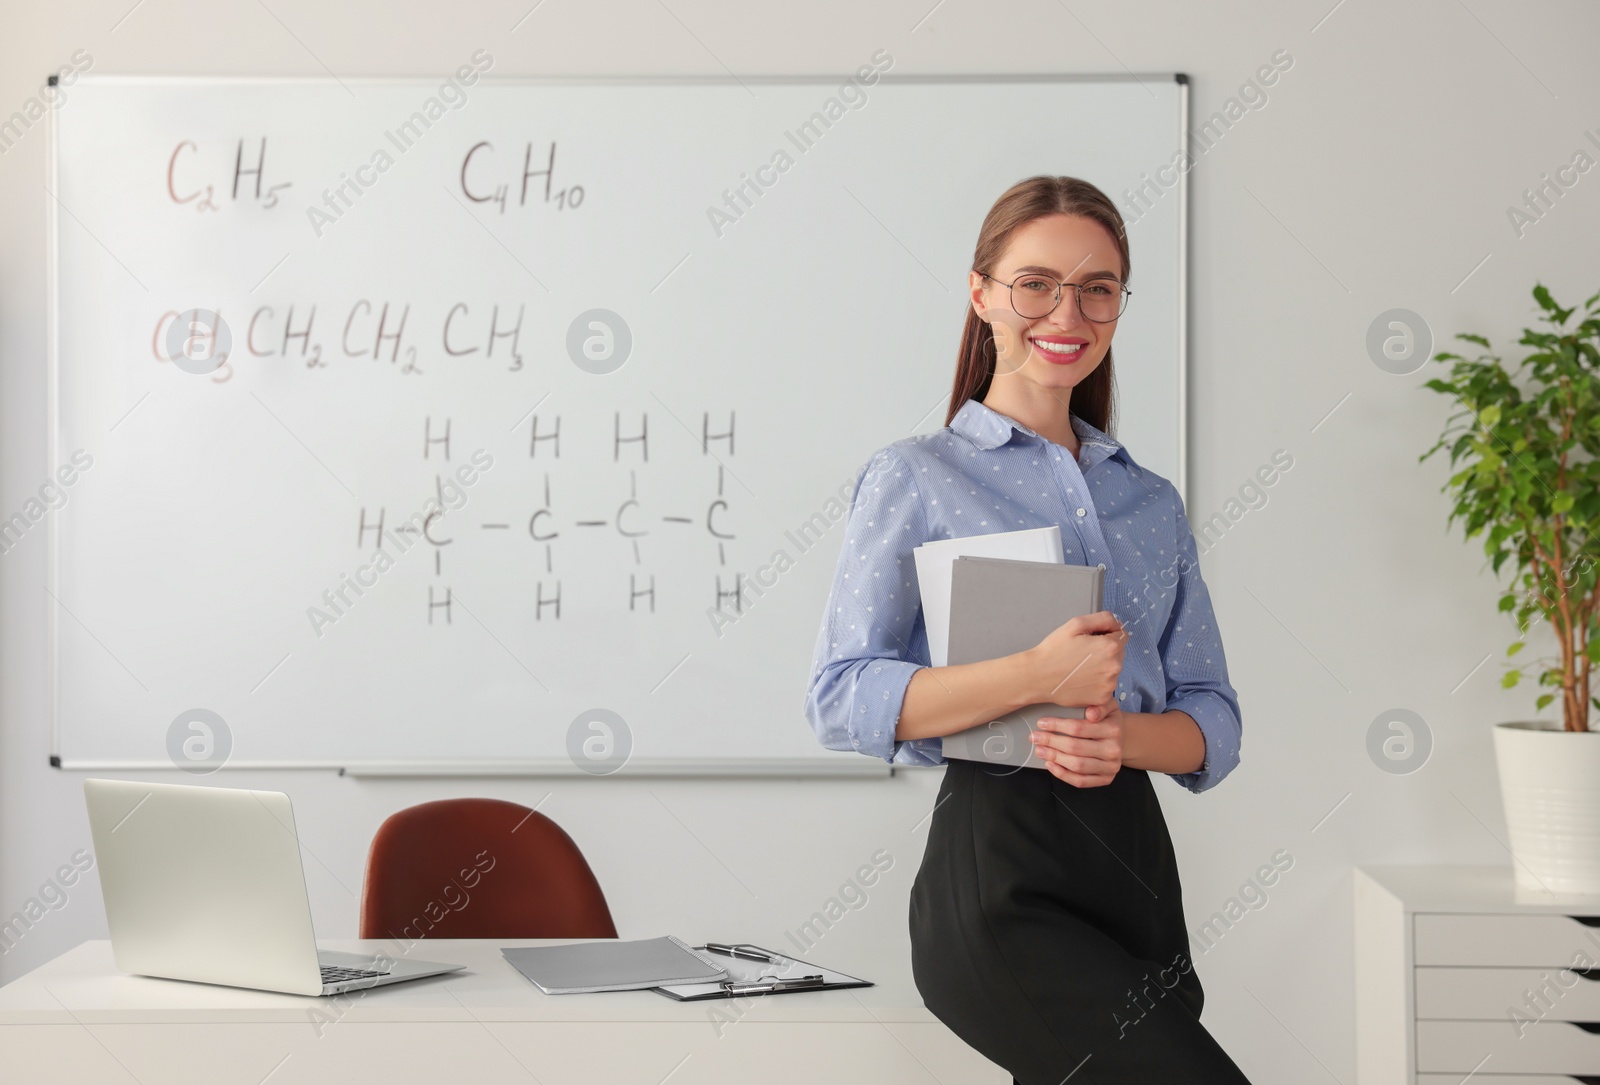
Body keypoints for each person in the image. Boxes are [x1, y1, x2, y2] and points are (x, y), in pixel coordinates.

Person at [802, 175, 1252, 1084]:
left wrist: (1122, 737)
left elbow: (1215, 718)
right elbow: (842, 694)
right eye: (1036, 282)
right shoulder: (916, 477)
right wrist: (1038, 674)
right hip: (1000, 864)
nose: (1068, 311)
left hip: (1133, 865)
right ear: (983, 294)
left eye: (1098, 288)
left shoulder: (1150, 502)